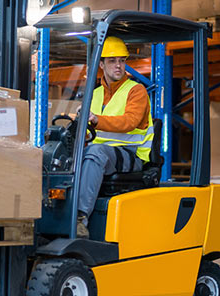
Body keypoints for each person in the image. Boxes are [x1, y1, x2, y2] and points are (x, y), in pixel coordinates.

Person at [76, 36, 154, 238]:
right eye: (112, 61)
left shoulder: (136, 91)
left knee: (94, 153)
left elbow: (129, 122)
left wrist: (95, 120)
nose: (118, 66)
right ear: (101, 64)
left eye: (122, 60)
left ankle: (79, 218)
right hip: (105, 154)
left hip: (132, 156)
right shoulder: (95, 94)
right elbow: (88, 131)